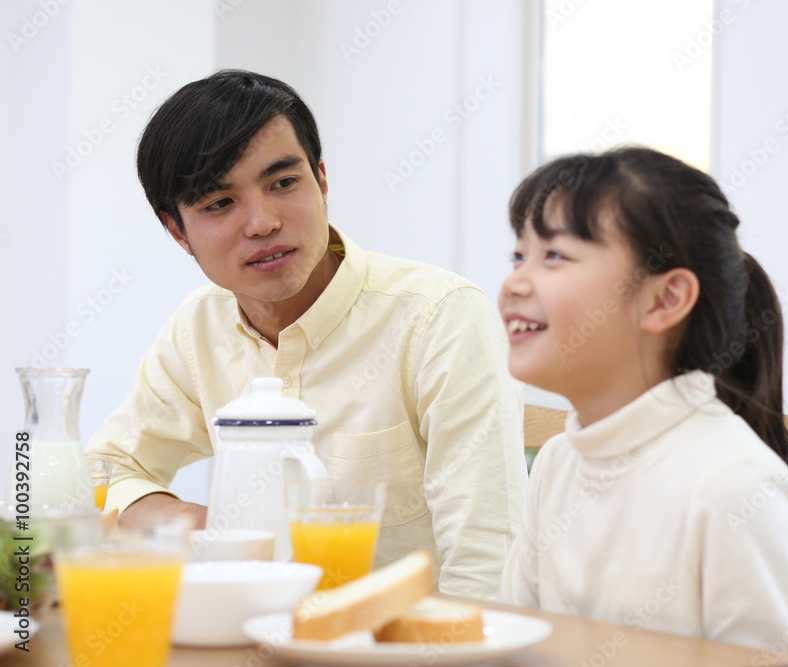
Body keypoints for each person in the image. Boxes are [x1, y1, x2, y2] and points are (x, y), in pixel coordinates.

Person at [86, 69, 527, 599]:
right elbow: (105, 472)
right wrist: (199, 525)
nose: (262, 222)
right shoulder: (199, 326)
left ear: (321, 180)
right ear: (178, 231)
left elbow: (486, 564)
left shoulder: (439, 317)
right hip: (245, 631)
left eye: (283, 183)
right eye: (219, 203)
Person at [497, 147, 788, 665]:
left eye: (554, 256)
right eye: (518, 256)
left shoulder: (734, 491)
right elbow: (515, 648)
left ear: (665, 300)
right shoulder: (557, 463)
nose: (514, 283)